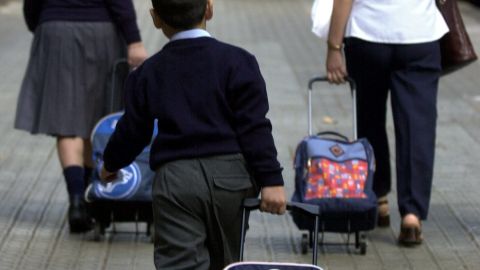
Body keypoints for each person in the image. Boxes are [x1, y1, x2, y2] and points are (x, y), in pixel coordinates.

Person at [99, 0, 287, 268]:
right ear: (209, 8)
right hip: (231, 179)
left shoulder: (147, 73)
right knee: (226, 261)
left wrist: (110, 164)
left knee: (180, 263)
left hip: (176, 180)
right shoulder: (239, 61)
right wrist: (272, 180)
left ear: (155, 19)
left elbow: (133, 132)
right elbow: (254, 126)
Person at [15, 0, 148, 233]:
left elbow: (31, 6)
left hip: (55, 31)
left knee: (67, 121)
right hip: (100, 29)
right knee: (95, 118)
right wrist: (134, 39)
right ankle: (89, 200)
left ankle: (77, 199)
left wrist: (45, 22)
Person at [325, 0, 448, 246]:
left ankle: (378, 198)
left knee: (369, 120)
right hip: (419, 36)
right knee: (418, 127)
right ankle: (412, 215)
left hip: (367, 36)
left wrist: (334, 46)